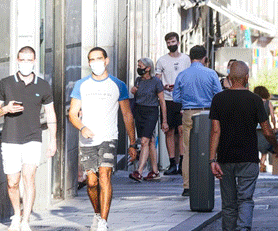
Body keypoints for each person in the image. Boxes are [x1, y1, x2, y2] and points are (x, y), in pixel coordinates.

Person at [69, 47, 138, 231]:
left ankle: (103, 222)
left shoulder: (118, 85)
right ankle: (97, 213)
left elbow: (127, 115)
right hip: (88, 139)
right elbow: (72, 114)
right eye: (92, 59)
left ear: (106, 61)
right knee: (91, 181)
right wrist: (82, 128)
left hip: (108, 137)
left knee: (105, 176)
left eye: (99, 58)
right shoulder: (81, 85)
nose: (96, 62)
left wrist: (133, 143)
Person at [210, 61, 278, 231]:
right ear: (247, 78)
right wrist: (276, 147)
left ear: (229, 78)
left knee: (228, 204)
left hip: (225, 158)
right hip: (249, 158)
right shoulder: (255, 100)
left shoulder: (219, 99)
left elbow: (215, 131)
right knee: (245, 200)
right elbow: (267, 131)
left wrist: (213, 159)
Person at [0, 47, 56, 231]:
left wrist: (53, 140)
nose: (26, 63)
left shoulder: (43, 85)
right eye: (22, 60)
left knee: (29, 177)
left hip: (33, 137)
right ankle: (16, 214)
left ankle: (26, 220)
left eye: (29, 60)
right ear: (17, 60)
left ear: (35, 61)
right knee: (12, 182)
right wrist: (6, 109)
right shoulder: (5, 84)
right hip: (10, 138)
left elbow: (50, 113)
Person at [174, 45, 223, 196]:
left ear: (190, 58)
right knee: (210, 148)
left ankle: (187, 186)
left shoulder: (182, 75)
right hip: (208, 113)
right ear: (204, 58)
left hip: (189, 113)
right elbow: (219, 95)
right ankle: (207, 181)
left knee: (188, 150)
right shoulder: (211, 74)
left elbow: (176, 98)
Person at [155, 32, 191, 176]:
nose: (171, 44)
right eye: (169, 43)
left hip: (182, 99)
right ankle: (171, 163)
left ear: (178, 42)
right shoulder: (162, 60)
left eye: (173, 41)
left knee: (182, 130)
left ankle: (182, 162)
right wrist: (164, 86)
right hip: (168, 99)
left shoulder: (186, 59)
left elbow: (189, 76)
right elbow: (157, 80)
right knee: (169, 131)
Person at [129, 58, 168, 182]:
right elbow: (137, 95)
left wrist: (164, 120)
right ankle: (155, 171)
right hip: (139, 111)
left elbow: (162, 101)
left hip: (151, 112)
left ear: (148, 68)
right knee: (150, 140)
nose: (139, 68)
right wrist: (134, 91)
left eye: (141, 66)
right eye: (138, 65)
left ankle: (139, 171)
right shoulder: (138, 80)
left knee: (145, 141)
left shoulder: (156, 81)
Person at [253, 86, 277, 173]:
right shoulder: (268, 103)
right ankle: (262, 164)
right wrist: (274, 126)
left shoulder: (253, 102)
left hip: (254, 128)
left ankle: (258, 162)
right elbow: (273, 117)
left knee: (255, 147)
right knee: (265, 148)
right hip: (266, 127)